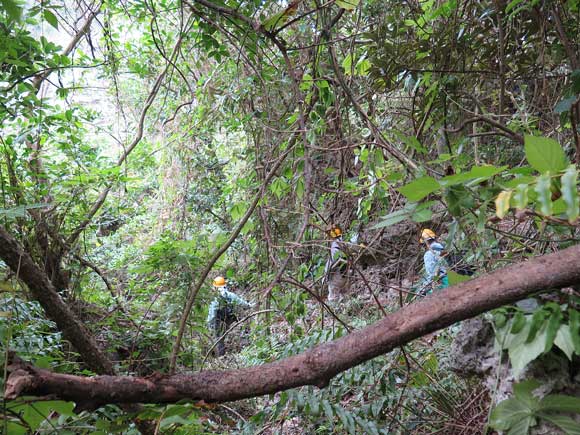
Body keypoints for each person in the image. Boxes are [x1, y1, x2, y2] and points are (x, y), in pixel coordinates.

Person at [206, 276, 252, 356]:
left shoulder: (215, 299)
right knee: (240, 326)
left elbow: (212, 313)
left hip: (218, 319)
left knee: (219, 338)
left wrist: (210, 324)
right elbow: (241, 302)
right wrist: (249, 305)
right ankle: (246, 343)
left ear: (214, 287)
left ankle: (221, 356)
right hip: (229, 318)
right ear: (224, 285)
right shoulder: (230, 295)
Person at [419, 228, 448, 295]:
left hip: (442, 282)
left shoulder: (428, 254)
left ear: (424, 243)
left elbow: (432, 273)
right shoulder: (443, 249)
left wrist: (424, 288)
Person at [323, 225, 349, 301]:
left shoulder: (336, 244)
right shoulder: (345, 240)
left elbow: (334, 259)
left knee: (333, 297)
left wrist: (326, 274)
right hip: (345, 272)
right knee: (342, 294)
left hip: (337, 273)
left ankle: (333, 309)